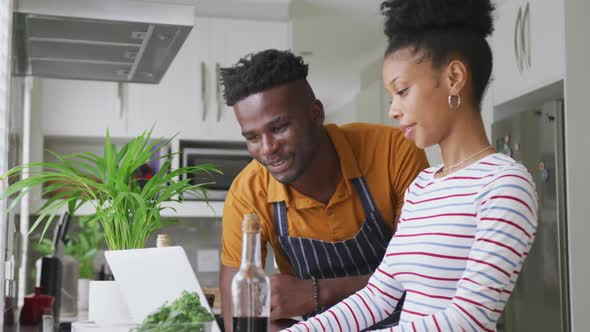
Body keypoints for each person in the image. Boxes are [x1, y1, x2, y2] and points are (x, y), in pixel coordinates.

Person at [282, 0, 538, 331]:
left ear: (454, 77)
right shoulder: (422, 187)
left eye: (402, 91)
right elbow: (378, 297)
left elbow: (469, 321)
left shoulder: (505, 184)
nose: (393, 110)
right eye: (391, 97)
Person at [218, 49, 430, 331]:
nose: (267, 149)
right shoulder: (248, 193)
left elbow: (426, 274)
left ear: (316, 113)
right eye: (253, 137)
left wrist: (313, 293)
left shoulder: (392, 151)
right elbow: (239, 319)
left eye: (279, 128)